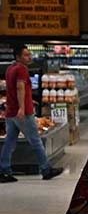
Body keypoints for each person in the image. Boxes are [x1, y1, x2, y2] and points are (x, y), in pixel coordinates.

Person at [0, 44, 64, 182]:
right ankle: (46, 169)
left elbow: (12, 90)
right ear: (18, 57)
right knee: (36, 141)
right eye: (26, 55)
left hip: (10, 112)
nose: (29, 57)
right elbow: (19, 88)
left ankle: (4, 171)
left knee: (9, 143)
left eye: (29, 54)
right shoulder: (22, 69)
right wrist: (22, 108)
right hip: (22, 113)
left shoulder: (10, 69)